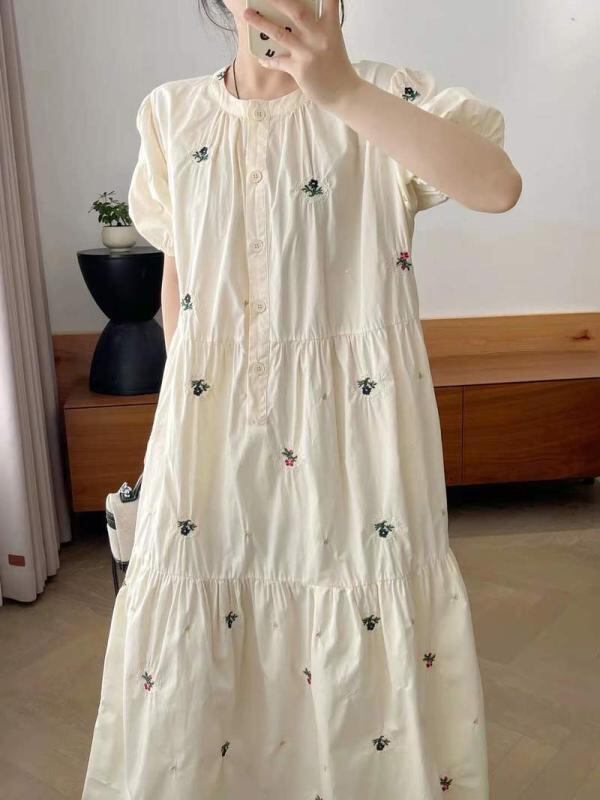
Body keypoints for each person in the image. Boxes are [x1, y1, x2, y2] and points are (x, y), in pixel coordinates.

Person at [82, 1, 522, 798]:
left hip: (355, 442)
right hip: (212, 443)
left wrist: (342, 90)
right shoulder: (172, 114)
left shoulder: (381, 99)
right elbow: (182, 275)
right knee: (203, 640)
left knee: (359, 630)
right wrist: (185, 416)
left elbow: (498, 187)